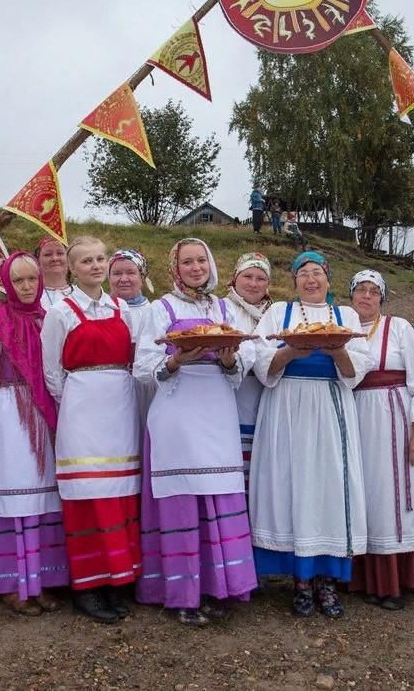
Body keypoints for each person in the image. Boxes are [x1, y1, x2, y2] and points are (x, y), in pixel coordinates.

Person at [133, 238, 258, 625]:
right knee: (184, 496)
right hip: (177, 407)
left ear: (210, 264)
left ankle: (218, 586)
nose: (195, 267)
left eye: (201, 260)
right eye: (187, 262)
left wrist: (230, 358)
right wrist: (174, 360)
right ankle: (182, 594)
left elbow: (246, 356)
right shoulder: (160, 308)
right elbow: (141, 366)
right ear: (175, 267)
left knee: (217, 494)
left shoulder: (225, 308)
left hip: (217, 409)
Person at [249, 252, 372, 619]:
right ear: (294, 281)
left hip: (331, 405)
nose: (311, 279)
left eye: (317, 273)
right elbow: (260, 363)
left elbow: (357, 370)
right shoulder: (277, 314)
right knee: (292, 484)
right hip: (286, 405)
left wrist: (336, 352)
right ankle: (299, 582)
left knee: (329, 488)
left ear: (329, 281)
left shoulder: (346, 317)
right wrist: (289, 351)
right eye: (303, 273)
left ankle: (327, 581)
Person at [41, 236, 142, 624]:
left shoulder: (123, 309)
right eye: (86, 261)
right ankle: (87, 586)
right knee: (88, 494)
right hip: (82, 409)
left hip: (120, 406)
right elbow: (52, 373)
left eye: (100, 259)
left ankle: (119, 578)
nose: (96, 266)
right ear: (72, 268)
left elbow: (133, 360)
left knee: (119, 494)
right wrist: (78, 404)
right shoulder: (60, 313)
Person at [0, 252, 67, 616]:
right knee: (16, 498)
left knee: (43, 498)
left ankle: (40, 579)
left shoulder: (51, 320)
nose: (27, 287)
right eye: (19, 281)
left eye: (32, 279)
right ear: (8, 285)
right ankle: (14, 582)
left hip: (48, 414)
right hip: (10, 415)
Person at [346, 270, 414, 611]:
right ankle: (362, 576)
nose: (366, 297)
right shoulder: (344, 329)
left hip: (394, 413)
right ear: (351, 296)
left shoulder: (399, 328)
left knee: (390, 493)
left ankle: (393, 581)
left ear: (381, 298)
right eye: (360, 291)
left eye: (372, 292)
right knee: (362, 491)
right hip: (356, 413)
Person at [224, 252, 273, 491]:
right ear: (235, 278)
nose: (254, 283)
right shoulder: (221, 310)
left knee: (261, 467)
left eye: (260, 278)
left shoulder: (274, 314)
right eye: (247, 276)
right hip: (232, 395)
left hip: (266, 397)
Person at [108, 248, 156, 426]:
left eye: (131, 272)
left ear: (142, 276)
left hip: (144, 389)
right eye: (116, 273)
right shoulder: (99, 311)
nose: (123, 279)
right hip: (110, 390)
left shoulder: (155, 312)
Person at [36, 236, 74, 310]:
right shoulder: (32, 297)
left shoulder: (82, 294)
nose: (55, 258)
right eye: (48, 254)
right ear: (38, 260)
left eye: (60, 253)